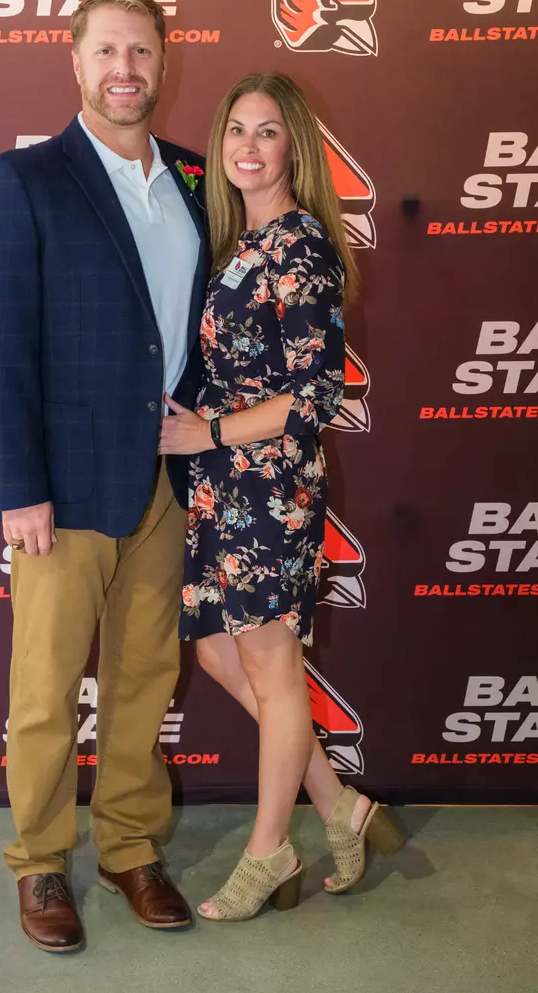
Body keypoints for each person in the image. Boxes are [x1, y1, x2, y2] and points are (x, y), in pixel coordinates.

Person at [0, 0, 209, 952]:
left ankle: (130, 848)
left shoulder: (196, 179)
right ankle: (39, 860)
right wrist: (17, 485)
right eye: (106, 50)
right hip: (61, 491)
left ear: (163, 61)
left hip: (167, 482)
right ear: (75, 62)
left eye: (140, 51)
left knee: (146, 677)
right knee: (47, 687)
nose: (124, 70)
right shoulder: (21, 179)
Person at [159, 72, 401, 922]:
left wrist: (211, 434)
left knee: (270, 665)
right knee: (221, 656)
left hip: (269, 485)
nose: (248, 147)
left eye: (267, 131)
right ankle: (339, 803)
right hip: (224, 487)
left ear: (295, 148)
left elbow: (317, 393)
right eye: (237, 130)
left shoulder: (300, 247)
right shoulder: (241, 243)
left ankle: (269, 852)